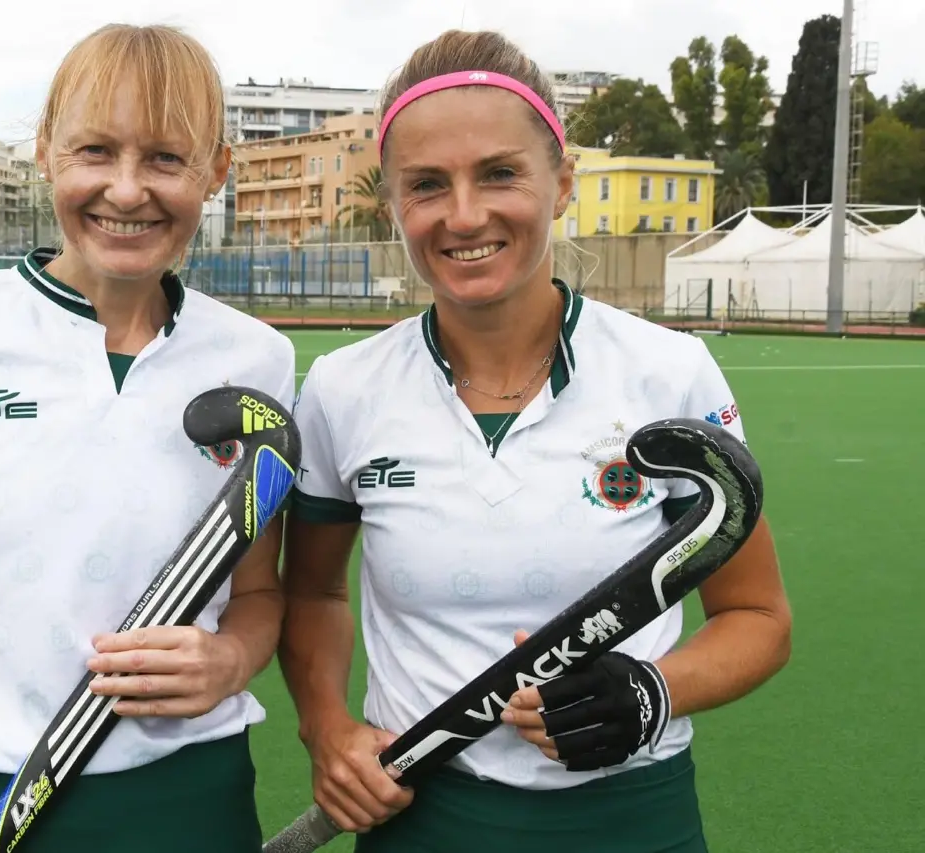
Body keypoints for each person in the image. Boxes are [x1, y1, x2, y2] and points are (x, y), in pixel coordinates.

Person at [277, 29, 792, 853]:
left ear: (561, 184)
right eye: (427, 185)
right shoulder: (343, 388)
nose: (465, 215)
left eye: (500, 173)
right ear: (394, 205)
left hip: (631, 817)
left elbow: (760, 615)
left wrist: (654, 689)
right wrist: (328, 727)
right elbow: (314, 595)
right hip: (427, 817)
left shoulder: (669, 372)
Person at [0, 23, 295, 853]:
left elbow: (258, 594)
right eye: (96, 151)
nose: (128, 190)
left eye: (167, 159)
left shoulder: (259, 357)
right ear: (45, 150)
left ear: (216, 170)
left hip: (192, 800)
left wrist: (232, 659)